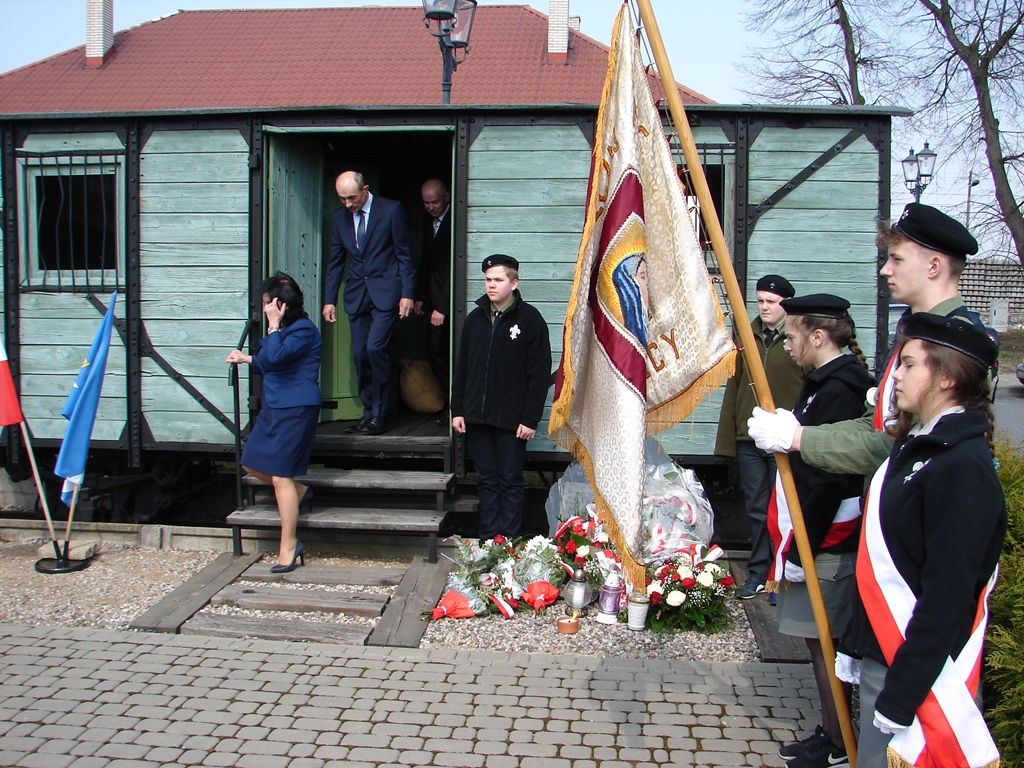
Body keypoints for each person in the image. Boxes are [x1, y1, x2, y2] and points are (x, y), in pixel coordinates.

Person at [834, 314, 1005, 768]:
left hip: (916, 673)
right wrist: (855, 641)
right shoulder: (919, 445)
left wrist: (902, 693)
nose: (897, 375)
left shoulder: (960, 465)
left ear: (947, 377)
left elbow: (947, 596)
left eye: (909, 365)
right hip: (888, 656)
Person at [748, 203, 983, 476]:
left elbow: (894, 445)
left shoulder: (955, 342)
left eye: (898, 259)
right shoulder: (916, 332)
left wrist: (798, 438)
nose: (886, 270)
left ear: (933, 266)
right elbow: (878, 423)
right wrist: (797, 431)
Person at [767, 295, 874, 768]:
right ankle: (830, 731)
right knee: (816, 642)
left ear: (818, 336)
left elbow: (830, 475)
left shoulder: (841, 388)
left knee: (827, 643)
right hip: (814, 530)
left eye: (791, 336)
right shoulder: (819, 382)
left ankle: (840, 742)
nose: (787, 345)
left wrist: (803, 540)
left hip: (828, 537)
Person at [715, 274, 804, 599]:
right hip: (750, 439)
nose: (764, 307)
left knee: (786, 509)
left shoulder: (797, 339)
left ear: (786, 305)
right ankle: (757, 574)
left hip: (786, 439)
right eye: (761, 301)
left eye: (772, 302)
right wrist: (727, 441)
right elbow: (734, 388)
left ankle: (782, 576)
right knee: (756, 508)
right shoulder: (747, 336)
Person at [451, 255, 552, 541]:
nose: (491, 285)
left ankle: (506, 540)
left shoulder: (530, 320)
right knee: (486, 481)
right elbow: (463, 368)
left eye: (498, 280)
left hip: (512, 420)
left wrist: (530, 418)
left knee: (509, 480)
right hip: (477, 417)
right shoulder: (475, 319)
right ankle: (487, 540)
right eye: (487, 279)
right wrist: (457, 409)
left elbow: (539, 373)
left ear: (514, 282)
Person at [227, 273, 322, 573]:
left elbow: (277, 355)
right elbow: (268, 360)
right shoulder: (284, 330)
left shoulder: (304, 329)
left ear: (282, 304)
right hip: (274, 406)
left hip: (296, 407)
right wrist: (246, 359)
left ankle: (289, 546)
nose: (264, 307)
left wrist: (272, 326)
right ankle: (301, 492)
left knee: (281, 476)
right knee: (250, 463)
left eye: (268, 303)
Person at [323, 171, 415, 436]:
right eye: (342, 199)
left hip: (387, 291)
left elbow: (404, 254)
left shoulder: (391, 210)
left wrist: (407, 293)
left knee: (376, 349)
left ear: (365, 189)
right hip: (356, 293)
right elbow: (336, 262)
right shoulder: (340, 217)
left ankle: (380, 413)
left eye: (352, 197)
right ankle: (368, 411)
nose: (348, 204)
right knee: (360, 354)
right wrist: (330, 300)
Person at [414, 178, 452, 402]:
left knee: (443, 350)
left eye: (434, 202)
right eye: (426, 203)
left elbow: (451, 268)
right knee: (434, 349)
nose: (430, 207)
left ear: (446, 197)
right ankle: (449, 400)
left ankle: (453, 403)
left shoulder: (454, 221)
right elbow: (425, 262)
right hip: (434, 299)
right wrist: (420, 297)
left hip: (447, 301)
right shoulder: (427, 222)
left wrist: (442, 307)